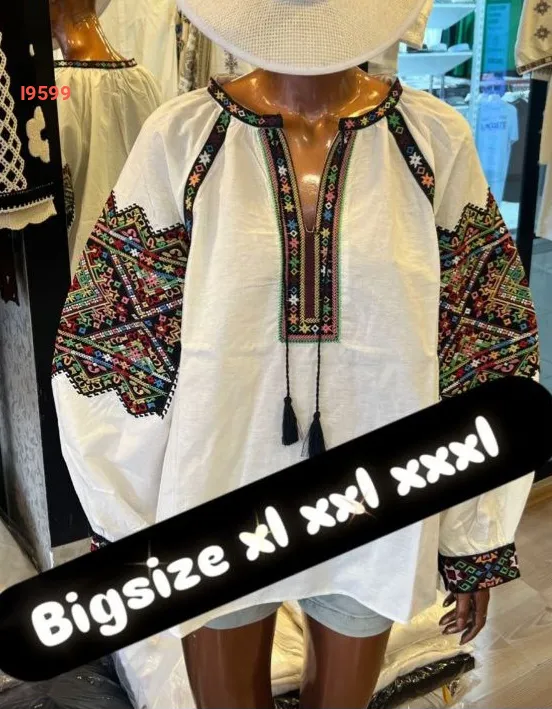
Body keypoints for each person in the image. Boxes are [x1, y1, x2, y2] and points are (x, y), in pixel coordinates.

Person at [51, 1, 540, 706]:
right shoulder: (182, 138)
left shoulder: (433, 140)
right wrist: (126, 531)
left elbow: (486, 345)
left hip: (379, 496)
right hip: (217, 496)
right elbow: (113, 347)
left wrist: (474, 537)